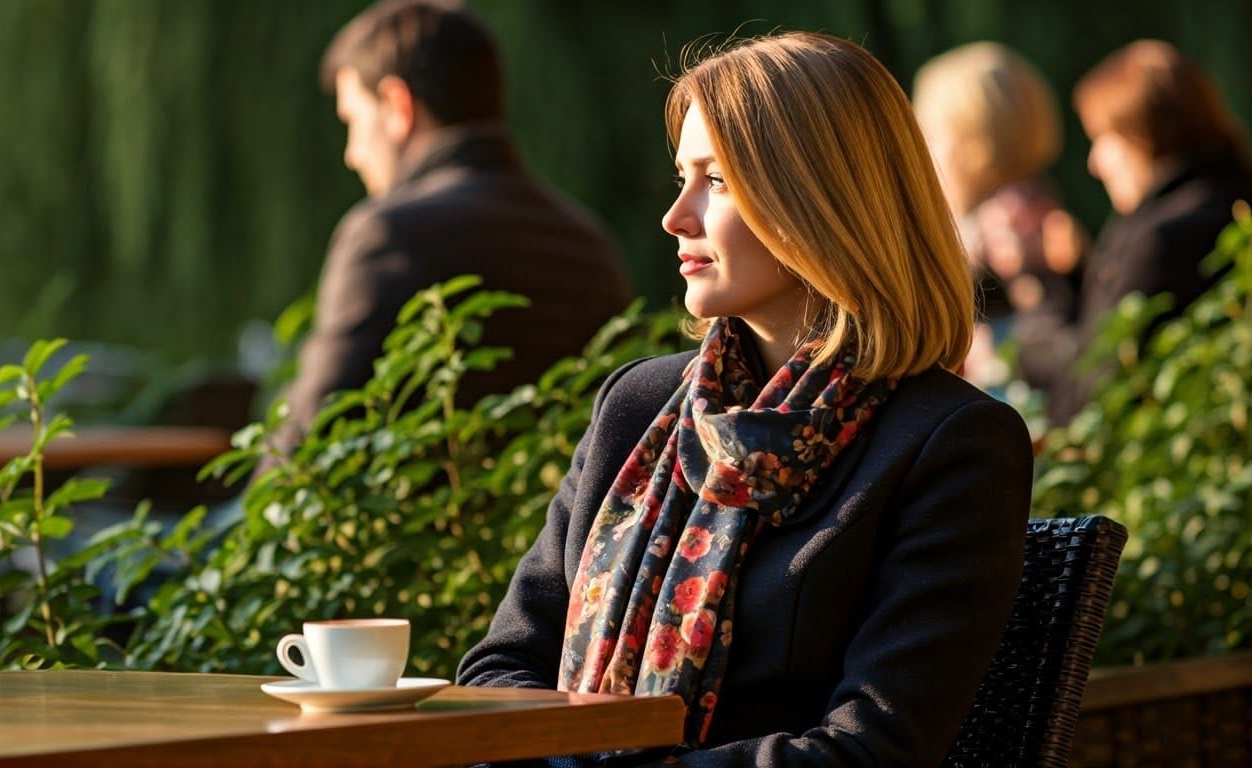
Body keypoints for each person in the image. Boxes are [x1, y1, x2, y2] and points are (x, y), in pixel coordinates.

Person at [457, 32, 1033, 766]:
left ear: (822, 199)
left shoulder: (950, 444)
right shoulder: (639, 406)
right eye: (681, 177)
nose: (676, 216)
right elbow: (500, 671)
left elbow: (873, 750)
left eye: (717, 180)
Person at [272, 0, 631, 457]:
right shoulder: (589, 244)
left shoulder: (385, 235)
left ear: (397, 106)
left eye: (353, 122)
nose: (352, 153)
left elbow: (309, 437)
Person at [1046, 40, 1252, 425]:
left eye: (1102, 140)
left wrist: (1048, 295)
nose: (1095, 164)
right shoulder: (1233, 202)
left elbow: (1088, 397)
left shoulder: (1157, 240)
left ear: (1141, 136)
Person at [912, 42, 1086, 392]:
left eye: (930, 136)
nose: (924, 154)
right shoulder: (1040, 204)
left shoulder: (1005, 223)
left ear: (972, 144)